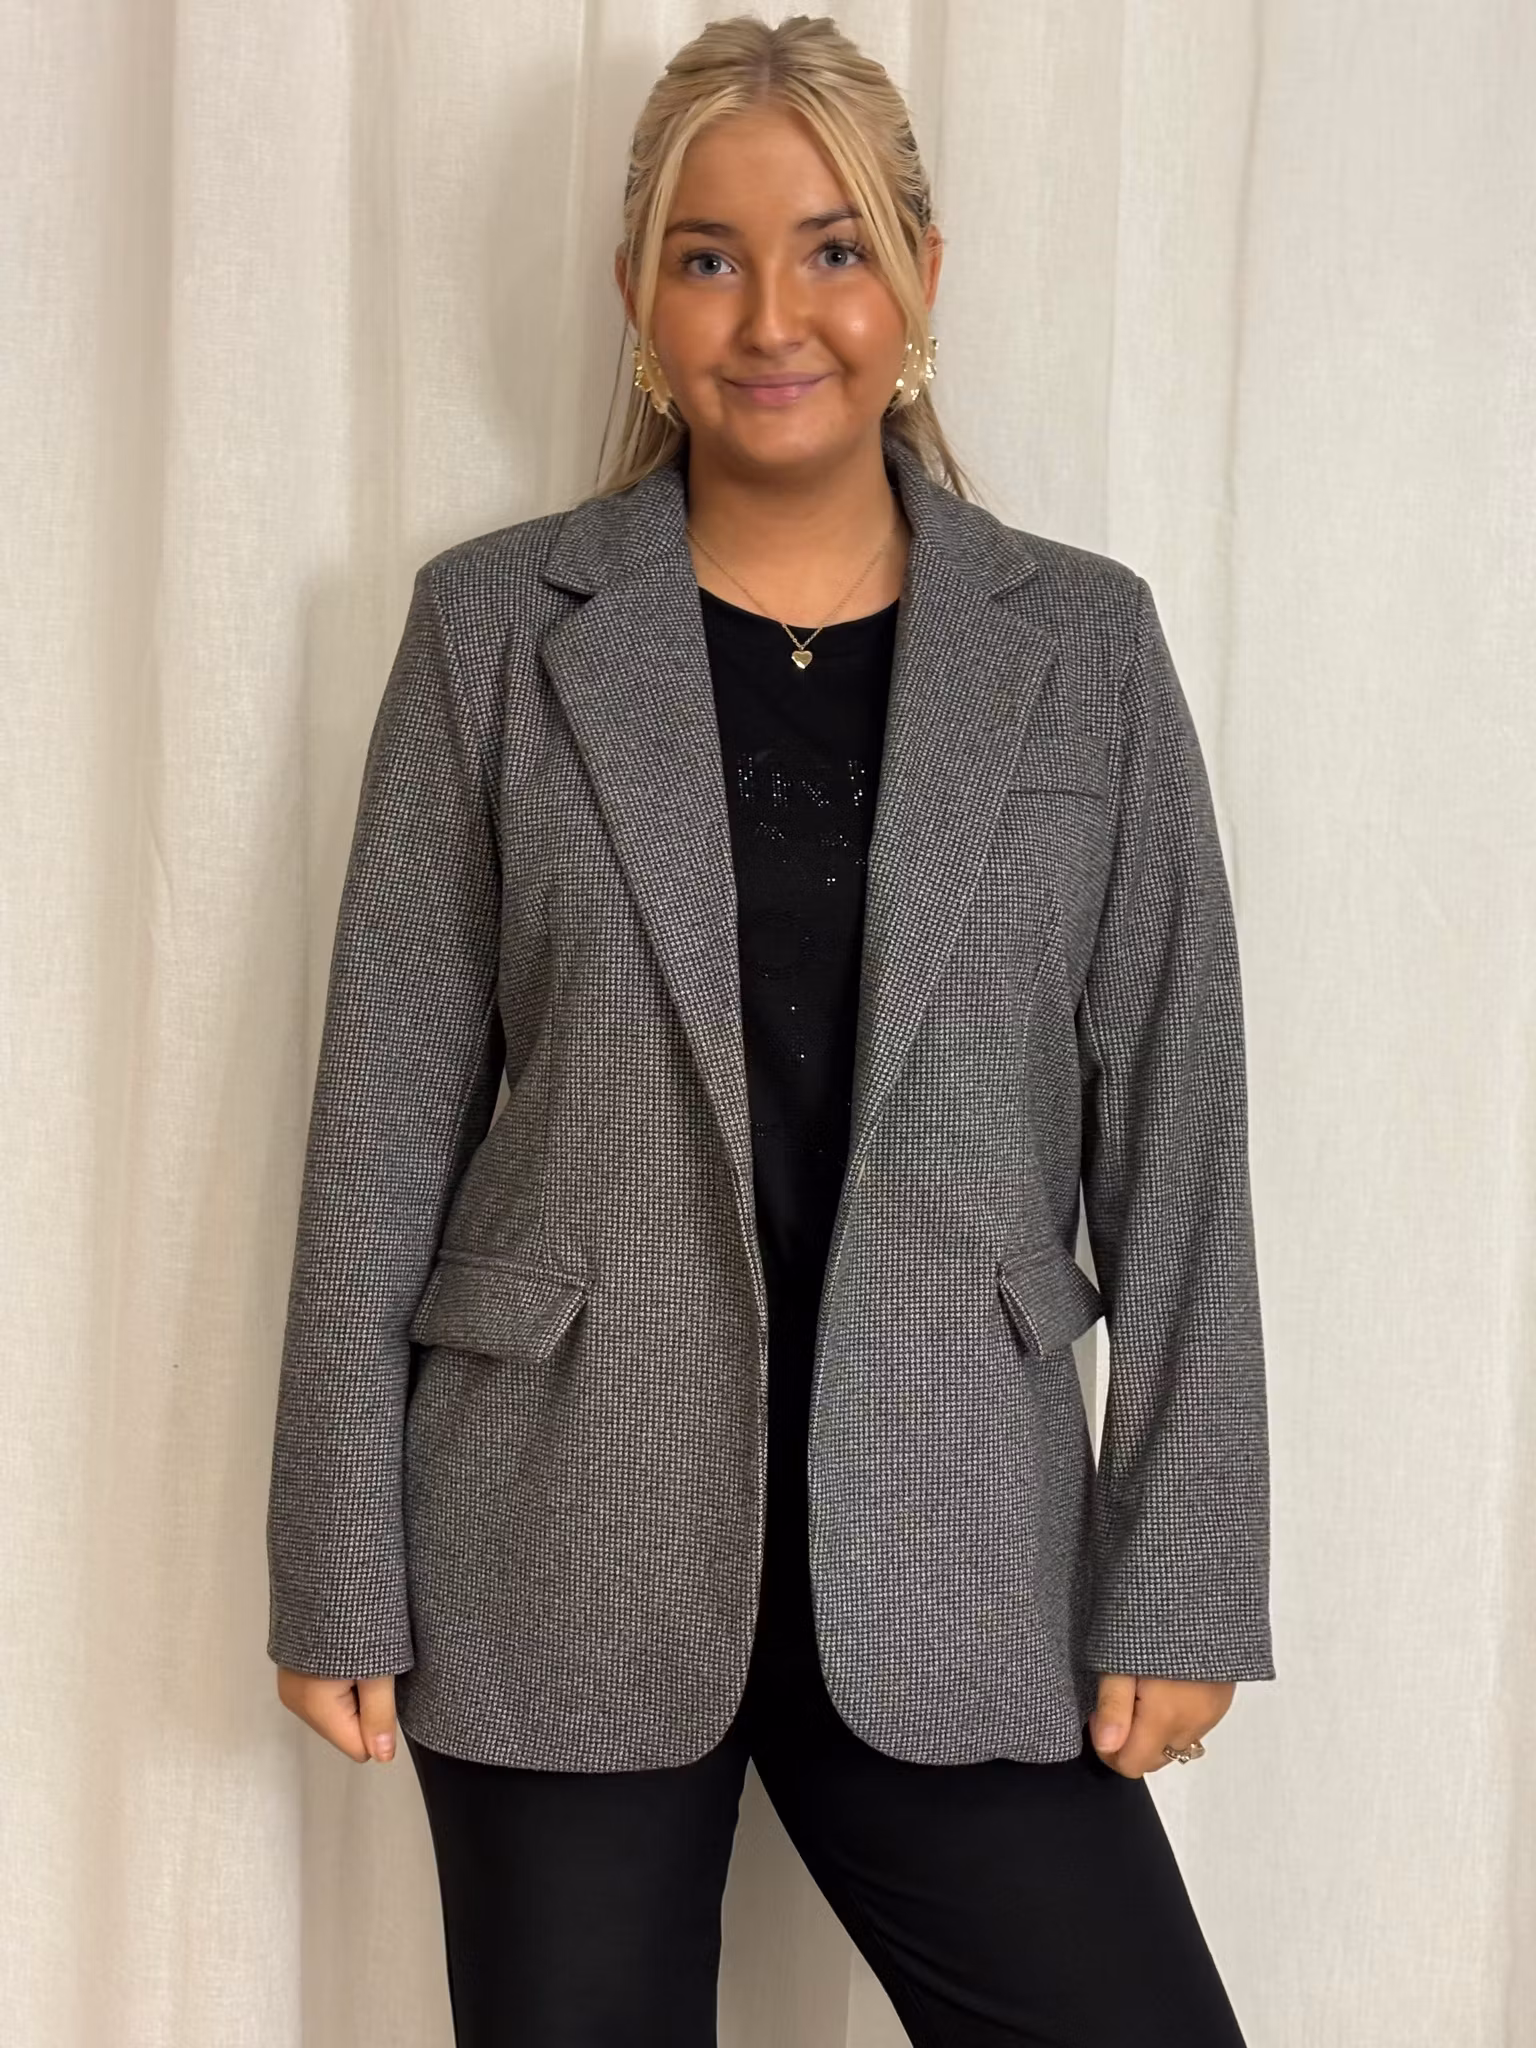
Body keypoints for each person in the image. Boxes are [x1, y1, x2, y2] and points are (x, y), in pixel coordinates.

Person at [265, 14, 1274, 2044]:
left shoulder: (1082, 648)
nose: (773, 315)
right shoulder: (496, 633)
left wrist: (1182, 1570)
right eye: (708, 256)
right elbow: (382, 1117)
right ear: (636, 295)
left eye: (831, 248)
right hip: (561, 1531)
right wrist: (333, 1557)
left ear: (920, 273)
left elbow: (1178, 1129)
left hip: (962, 1540)